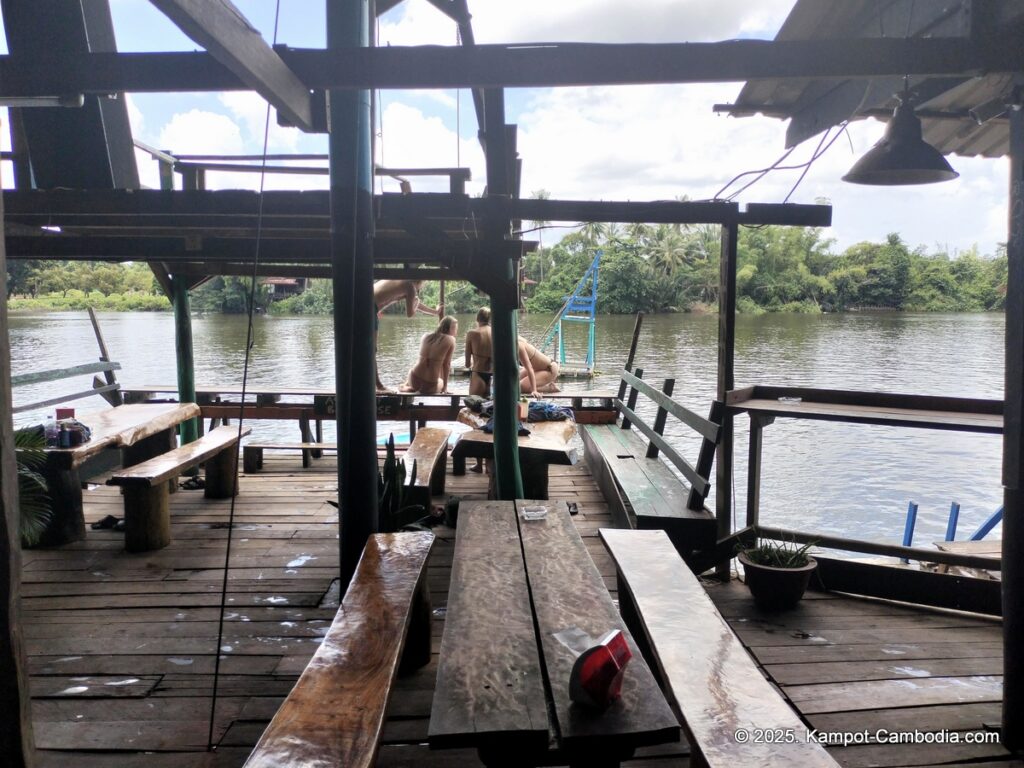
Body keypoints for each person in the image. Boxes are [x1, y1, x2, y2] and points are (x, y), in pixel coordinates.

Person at [373, 280, 439, 392]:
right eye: (424, 283)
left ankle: (375, 385)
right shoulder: (410, 286)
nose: (423, 286)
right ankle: (379, 386)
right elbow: (410, 313)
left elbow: (416, 303)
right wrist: (417, 302)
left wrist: (435, 312)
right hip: (369, 308)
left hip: (366, 303)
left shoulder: (401, 281)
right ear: (420, 281)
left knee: (368, 349)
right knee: (372, 350)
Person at [399, 316, 458, 394]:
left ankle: (408, 386)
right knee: (441, 381)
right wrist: (445, 387)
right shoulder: (451, 340)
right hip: (430, 384)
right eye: (456, 328)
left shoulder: (426, 336)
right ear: (451, 328)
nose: (456, 331)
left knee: (423, 362)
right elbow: (446, 364)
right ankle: (419, 389)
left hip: (413, 378)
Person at [464, 307, 493, 397]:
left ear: (477, 318)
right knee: (491, 409)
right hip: (494, 376)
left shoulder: (472, 333)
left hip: (478, 374)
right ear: (490, 319)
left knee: (473, 407)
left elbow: (467, 364)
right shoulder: (496, 332)